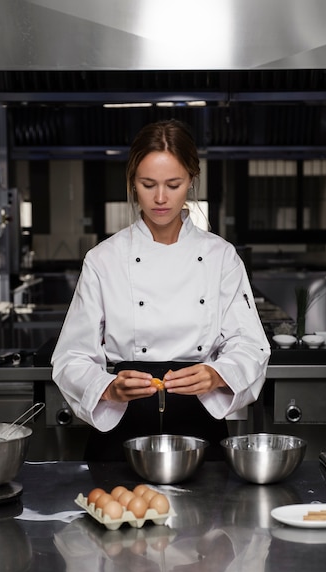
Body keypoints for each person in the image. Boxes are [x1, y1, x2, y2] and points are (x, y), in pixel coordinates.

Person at [51, 119, 271, 461]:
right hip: (123, 424)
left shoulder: (220, 257)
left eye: (173, 184)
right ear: (132, 183)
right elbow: (71, 357)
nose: (160, 198)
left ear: (191, 181)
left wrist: (216, 374)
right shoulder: (103, 259)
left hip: (199, 425)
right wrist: (108, 387)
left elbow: (251, 345)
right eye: (148, 184)